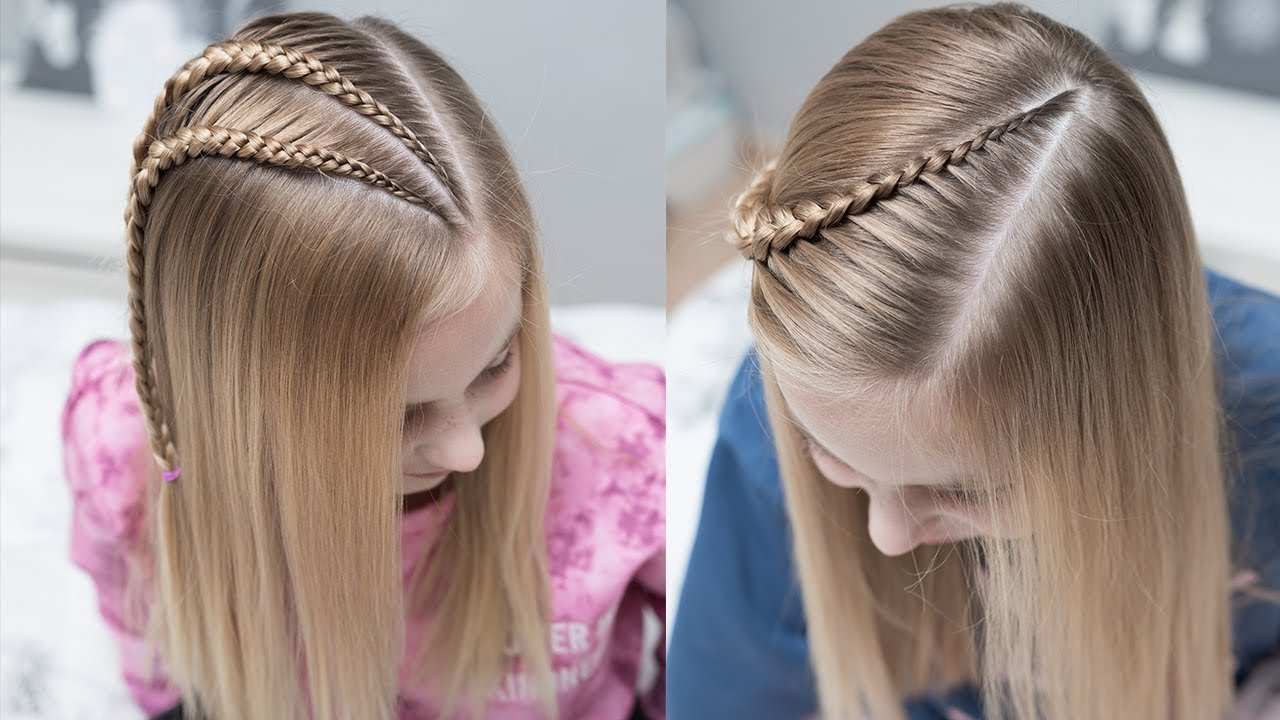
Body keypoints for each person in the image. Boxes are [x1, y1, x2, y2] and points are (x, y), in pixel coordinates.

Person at [667, 4, 1278, 719]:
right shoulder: (765, 434)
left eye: (965, 491)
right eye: (832, 458)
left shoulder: (1266, 415)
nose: (887, 537)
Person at [61, 11, 664, 720]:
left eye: (496, 364)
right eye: (399, 416)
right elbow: (153, 658)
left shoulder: (626, 459)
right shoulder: (121, 453)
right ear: (237, 398)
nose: (466, 450)